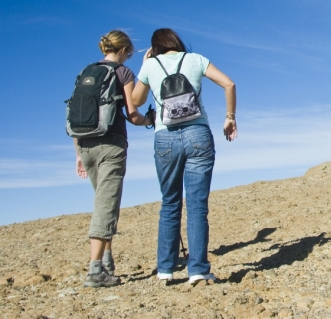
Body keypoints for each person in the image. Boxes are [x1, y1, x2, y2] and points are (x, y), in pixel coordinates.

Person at [132, 28, 237, 285]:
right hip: (198, 134)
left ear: (155, 46)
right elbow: (229, 83)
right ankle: (198, 271)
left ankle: (165, 270)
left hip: (164, 137)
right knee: (197, 206)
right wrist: (230, 118)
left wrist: (145, 66)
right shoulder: (195, 59)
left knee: (170, 203)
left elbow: (135, 100)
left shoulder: (150, 65)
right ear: (176, 42)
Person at [75, 30, 153, 288]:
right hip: (111, 144)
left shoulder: (87, 71)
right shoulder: (123, 73)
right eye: (129, 53)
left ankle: (107, 260)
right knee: (106, 205)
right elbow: (132, 113)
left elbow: (79, 111)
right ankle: (95, 271)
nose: (129, 57)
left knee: (104, 201)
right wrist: (149, 121)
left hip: (85, 145)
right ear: (122, 51)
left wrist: (78, 154)